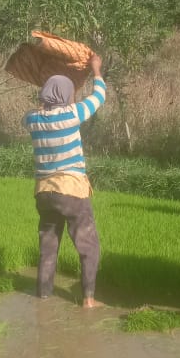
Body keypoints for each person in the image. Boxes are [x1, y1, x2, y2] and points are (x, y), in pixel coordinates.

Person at [23, 54, 106, 308]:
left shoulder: (32, 120)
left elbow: (44, 106)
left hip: (44, 194)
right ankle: (89, 299)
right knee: (87, 245)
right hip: (70, 191)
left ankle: (44, 296)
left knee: (48, 247)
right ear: (66, 96)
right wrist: (95, 70)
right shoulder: (72, 115)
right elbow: (98, 97)